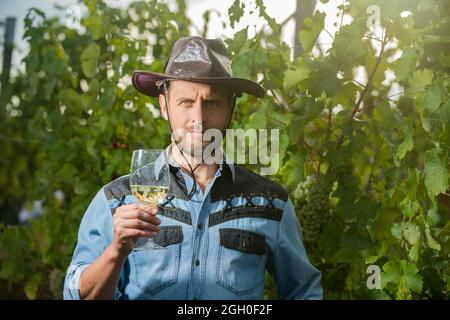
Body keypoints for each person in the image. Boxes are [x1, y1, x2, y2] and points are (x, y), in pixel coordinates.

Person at [63, 36, 323, 300]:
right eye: (186, 102)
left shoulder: (270, 203)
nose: (198, 118)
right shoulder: (117, 199)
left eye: (211, 103)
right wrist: (116, 251)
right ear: (165, 106)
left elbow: (305, 291)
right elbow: (76, 296)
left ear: (231, 107)